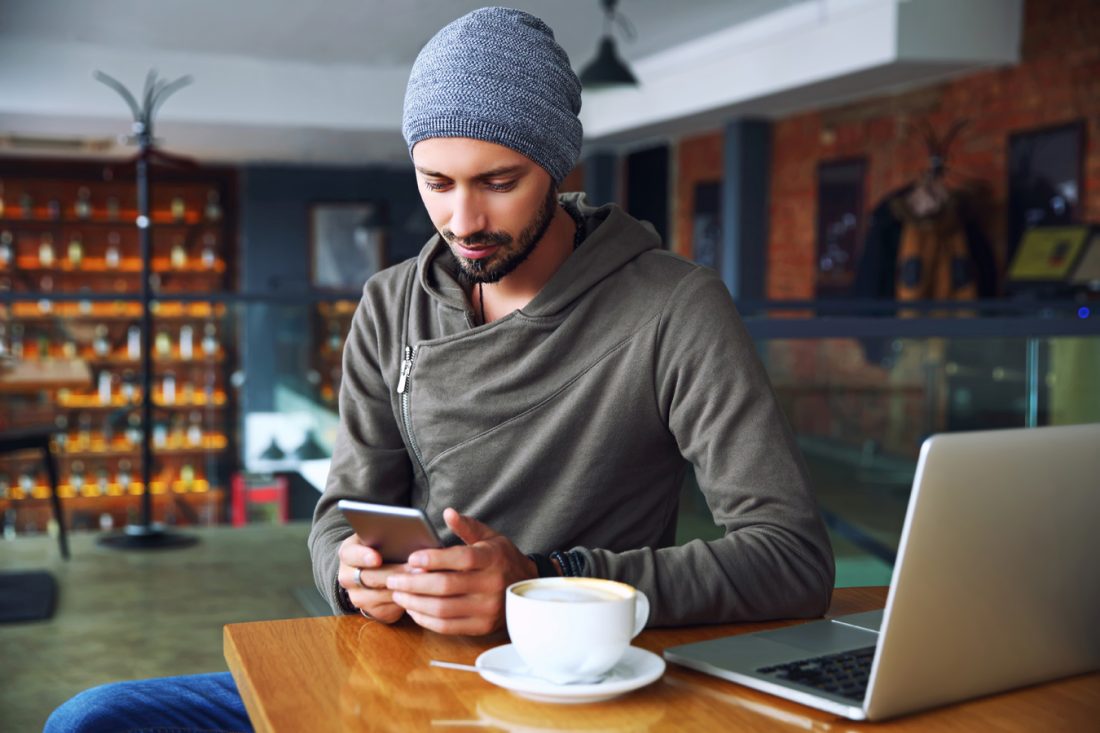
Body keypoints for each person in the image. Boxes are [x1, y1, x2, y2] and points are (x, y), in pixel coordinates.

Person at [46, 8, 832, 732]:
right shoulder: (390, 303)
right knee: (96, 717)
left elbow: (791, 557)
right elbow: (339, 513)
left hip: (570, 680)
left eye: (499, 183)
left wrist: (543, 580)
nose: (464, 222)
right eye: (437, 183)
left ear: (557, 167)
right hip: (395, 668)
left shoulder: (676, 306)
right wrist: (350, 571)